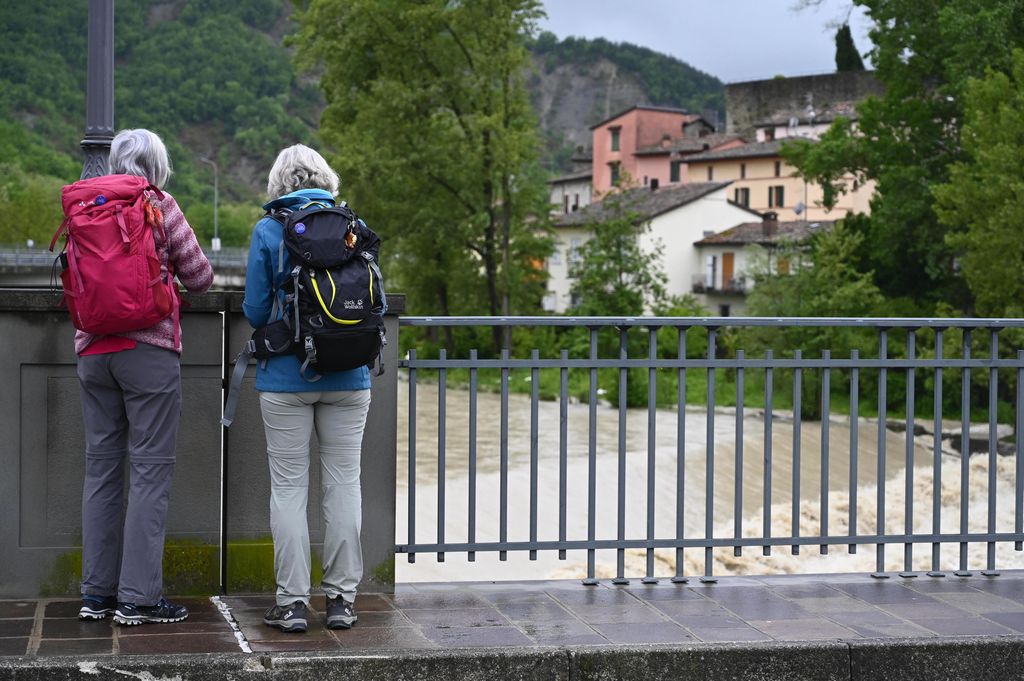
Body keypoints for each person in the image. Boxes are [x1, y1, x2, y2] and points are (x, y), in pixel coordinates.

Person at [76, 129, 214, 625]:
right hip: (149, 350)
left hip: (93, 349)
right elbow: (199, 276)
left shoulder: (85, 204)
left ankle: (96, 594)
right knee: (150, 471)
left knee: (101, 468)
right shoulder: (160, 204)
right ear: (157, 165)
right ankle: (137, 598)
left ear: (113, 160)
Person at [243, 144, 372, 633]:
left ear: (279, 184)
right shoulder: (351, 225)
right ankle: (341, 600)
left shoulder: (269, 230)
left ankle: (293, 603)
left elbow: (256, 312)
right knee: (343, 487)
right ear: (326, 178)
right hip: (351, 375)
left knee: (289, 489)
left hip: (284, 378)